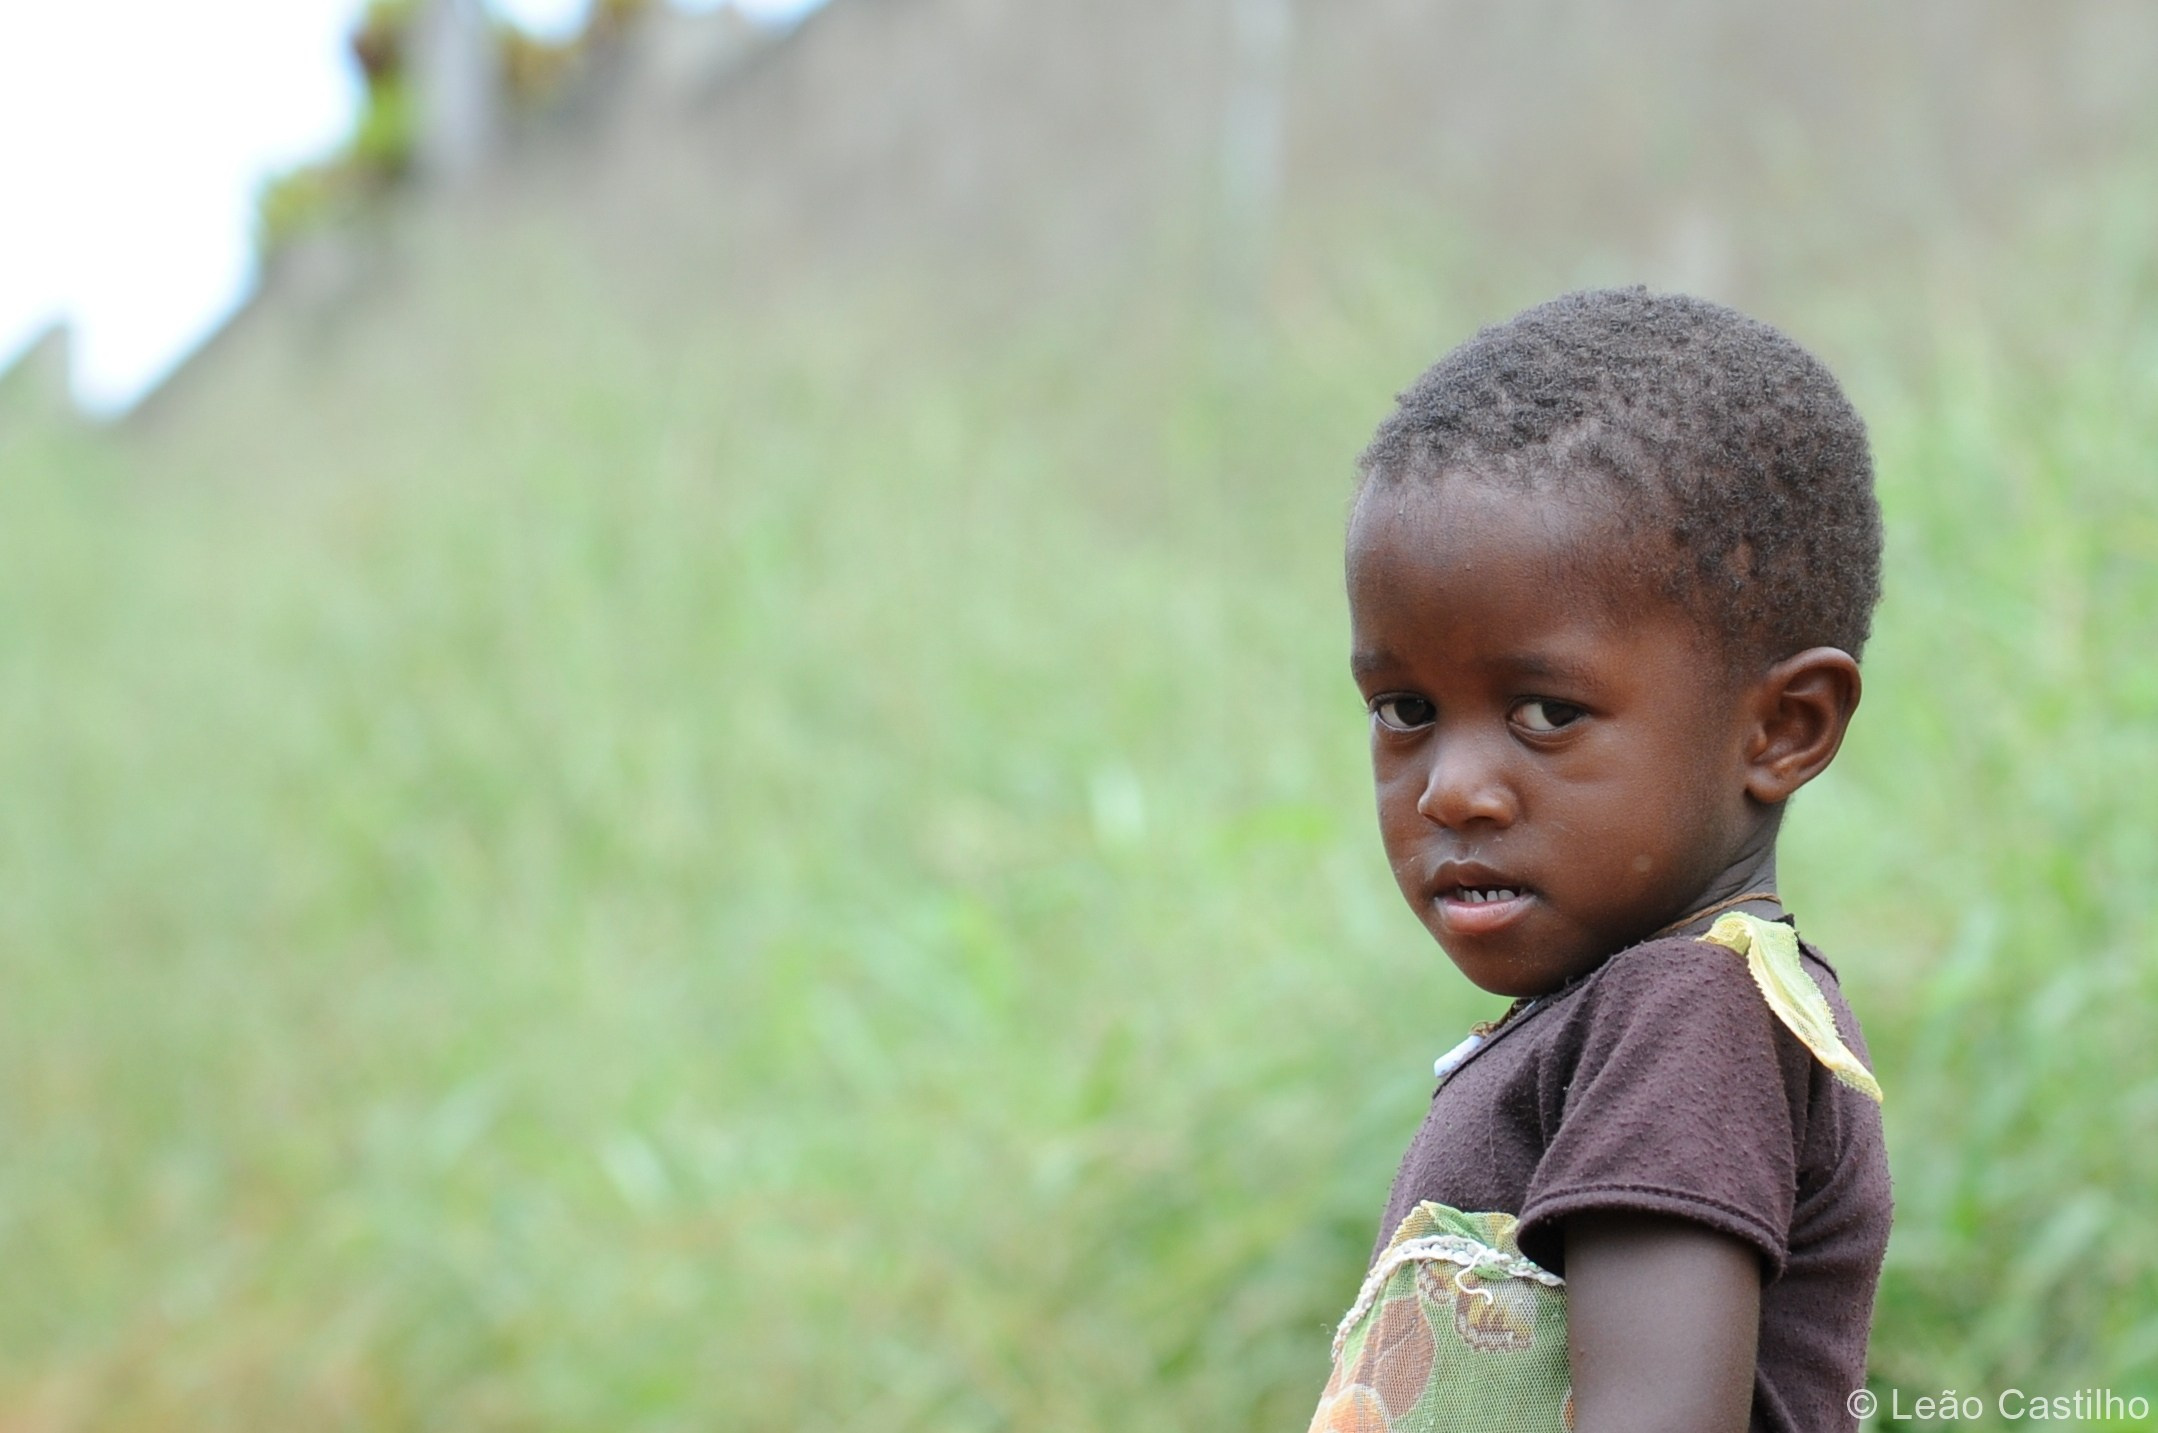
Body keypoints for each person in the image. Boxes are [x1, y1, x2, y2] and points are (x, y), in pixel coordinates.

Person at [1309, 288, 1892, 1433]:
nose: (1450, 788)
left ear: (1782, 727)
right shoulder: (1608, 1017)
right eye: (1406, 707)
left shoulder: (1689, 1013)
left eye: (1545, 711)